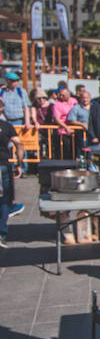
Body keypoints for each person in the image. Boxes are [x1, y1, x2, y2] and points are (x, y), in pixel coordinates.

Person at [0, 98, 24, 248]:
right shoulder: (6, 126)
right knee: (5, 200)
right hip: (3, 165)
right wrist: (19, 164)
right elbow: (19, 144)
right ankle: (1, 233)